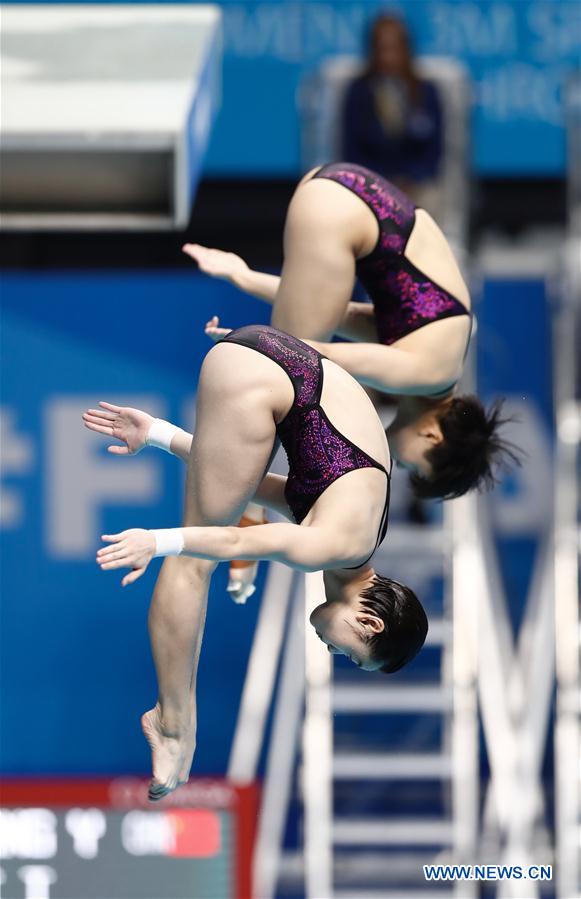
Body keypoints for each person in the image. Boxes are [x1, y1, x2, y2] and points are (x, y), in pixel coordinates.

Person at [83, 325, 428, 800]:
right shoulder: (333, 549)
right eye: (349, 652)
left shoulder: (363, 533)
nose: (332, 652)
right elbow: (228, 543)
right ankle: (171, 724)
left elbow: (253, 485)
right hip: (263, 376)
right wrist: (156, 541)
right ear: (369, 621)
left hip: (269, 353)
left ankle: (177, 722)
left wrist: (161, 436)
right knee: (193, 564)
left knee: (216, 528)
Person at [183, 162, 518, 502]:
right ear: (433, 436)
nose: (399, 466)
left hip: (341, 184)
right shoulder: (428, 374)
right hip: (340, 213)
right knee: (280, 384)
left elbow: (334, 309)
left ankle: (247, 518)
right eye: (414, 468)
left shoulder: (435, 354)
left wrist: (244, 277)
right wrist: (248, 344)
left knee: (280, 372)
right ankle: (249, 520)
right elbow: (319, 355)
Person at [341, 13, 443, 215]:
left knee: (430, 199)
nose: (388, 57)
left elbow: (435, 151)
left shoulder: (426, 91)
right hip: (372, 185)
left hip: (416, 185)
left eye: (394, 49)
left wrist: (409, 179)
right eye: (382, 49)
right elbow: (351, 151)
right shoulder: (358, 92)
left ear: (407, 49)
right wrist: (380, 183)